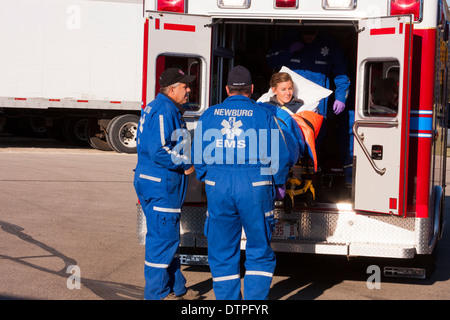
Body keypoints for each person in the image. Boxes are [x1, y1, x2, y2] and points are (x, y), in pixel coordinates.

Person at [193, 66, 292, 300]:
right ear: (252, 90)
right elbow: (278, 156)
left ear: (227, 89)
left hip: (218, 184)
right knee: (258, 248)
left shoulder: (209, 114)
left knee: (222, 250)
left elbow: (198, 156)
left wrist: (209, 178)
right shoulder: (265, 114)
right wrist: (278, 184)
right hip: (255, 185)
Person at [133, 67, 198, 300]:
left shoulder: (161, 106)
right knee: (163, 242)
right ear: (172, 89)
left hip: (155, 183)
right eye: (184, 86)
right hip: (161, 185)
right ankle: (156, 295)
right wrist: (186, 163)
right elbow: (160, 150)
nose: (188, 90)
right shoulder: (163, 110)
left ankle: (176, 288)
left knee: (166, 237)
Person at [267, 26, 353, 185]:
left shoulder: (329, 43)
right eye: (305, 34)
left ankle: (308, 178)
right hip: (287, 103)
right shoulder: (288, 39)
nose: (308, 37)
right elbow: (271, 60)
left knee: (312, 145)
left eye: (312, 33)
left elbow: (341, 72)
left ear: (317, 31)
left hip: (316, 105)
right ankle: (282, 179)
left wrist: (341, 97)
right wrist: (288, 51)